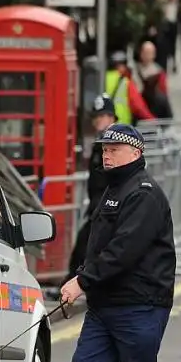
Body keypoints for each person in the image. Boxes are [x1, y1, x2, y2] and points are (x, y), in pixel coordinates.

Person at [60, 124, 176, 362]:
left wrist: (81, 281)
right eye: (104, 149)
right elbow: (98, 247)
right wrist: (82, 276)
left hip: (140, 306)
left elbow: (124, 250)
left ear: (135, 153)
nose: (106, 155)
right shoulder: (112, 190)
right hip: (105, 306)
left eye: (113, 150)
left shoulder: (144, 194)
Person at [62, 94, 116, 286]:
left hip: (107, 208)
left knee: (88, 248)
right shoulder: (100, 144)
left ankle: (74, 285)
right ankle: (73, 284)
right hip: (97, 207)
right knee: (85, 248)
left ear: (111, 117)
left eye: (101, 117)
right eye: (95, 117)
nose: (97, 121)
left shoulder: (116, 145)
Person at [105, 51, 155, 125]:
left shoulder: (102, 79)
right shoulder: (125, 82)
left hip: (103, 126)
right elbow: (139, 107)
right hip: (121, 128)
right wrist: (153, 121)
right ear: (120, 66)